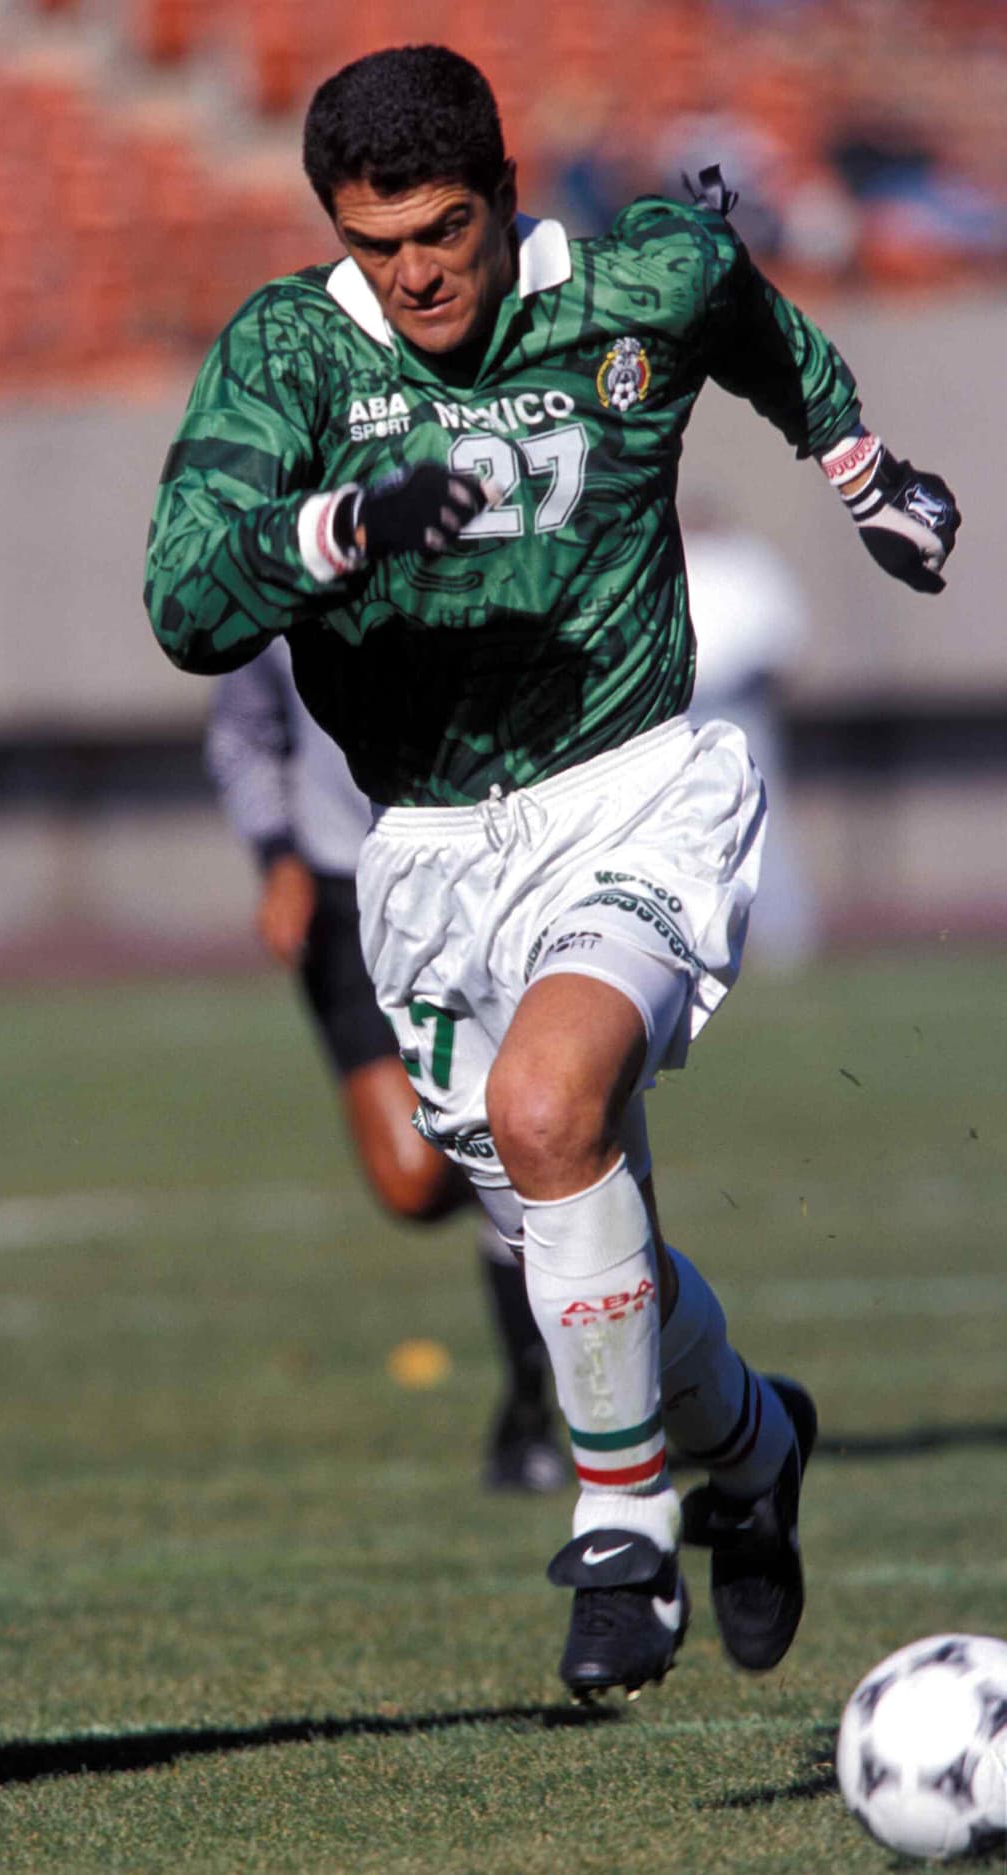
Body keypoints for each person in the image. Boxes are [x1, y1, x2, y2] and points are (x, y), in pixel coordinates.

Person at [142, 45, 959, 1699]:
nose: (415, 275)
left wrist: (867, 476)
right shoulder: (291, 354)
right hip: (428, 852)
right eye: (376, 244)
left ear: (502, 196)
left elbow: (746, 313)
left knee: (544, 1107)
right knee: (581, 1246)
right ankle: (756, 1447)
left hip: (634, 786)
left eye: (442, 231)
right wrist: (340, 528)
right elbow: (183, 602)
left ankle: (623, 1534)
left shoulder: (636, 280)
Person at [205, 636, 569, 1493]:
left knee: (523, 1130)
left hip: (490, 870)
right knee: (412, 1179)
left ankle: (533, 1409)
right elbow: (243, 728)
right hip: (346, 879)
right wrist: (276, 854)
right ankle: (546, 1201)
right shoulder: (286, 568)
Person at [681, 497, 816, 968]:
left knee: (760, 815)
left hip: (741, 701)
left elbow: (784, 639)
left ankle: (783, 935)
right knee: (680, 825)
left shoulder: (748, 561)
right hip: (676, 708)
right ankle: (689, 940)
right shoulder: (667, 557)